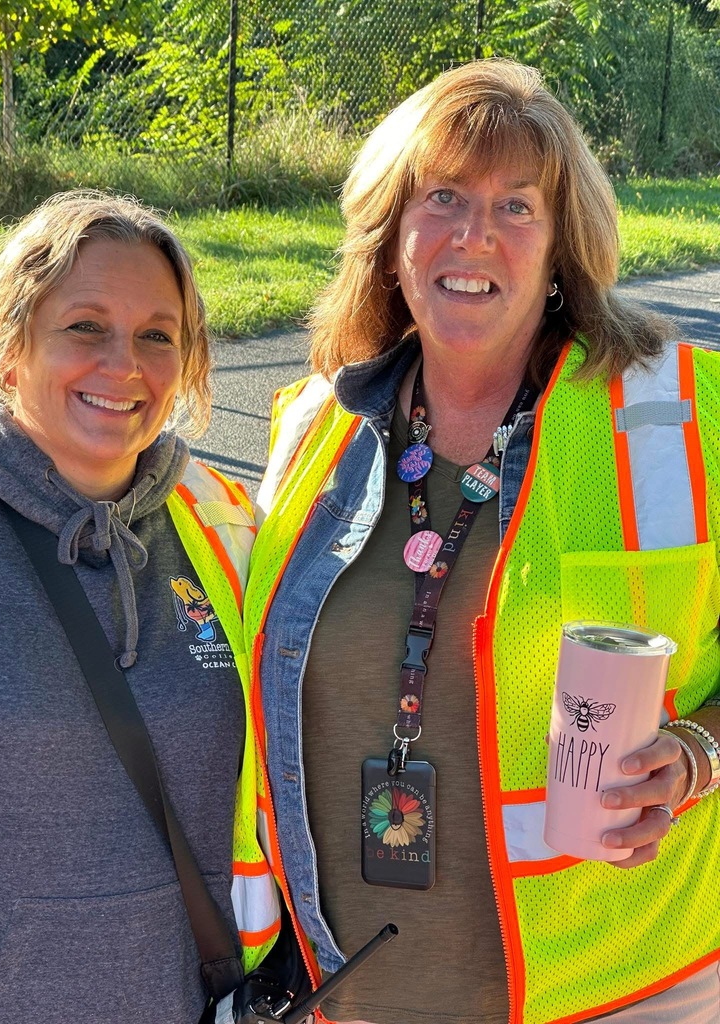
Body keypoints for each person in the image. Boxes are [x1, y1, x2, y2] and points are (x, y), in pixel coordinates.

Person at [244, 60, 720, 1024]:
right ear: (390, 238)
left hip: (624, 991)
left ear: (560, 251)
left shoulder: (690, 417)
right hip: (356, 994)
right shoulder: (307, 427)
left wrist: (700, 752)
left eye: (517, 207)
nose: (474, 234)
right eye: (444, 198)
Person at [0, 190, 281, 1023]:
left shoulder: (232, 526)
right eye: (85, 326)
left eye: (156, 336)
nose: (124, 365)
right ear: (11, 345)